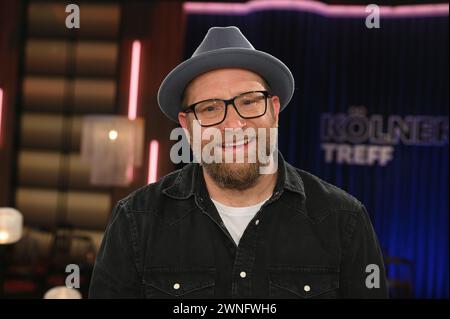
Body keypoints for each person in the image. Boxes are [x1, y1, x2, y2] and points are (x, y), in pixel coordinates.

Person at [89, 26, 388, 298]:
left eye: (248, 102)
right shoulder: (135, 221)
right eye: (209, 108)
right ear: (187, 126)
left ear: (273, 110)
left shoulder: (344, 220)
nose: (233, 124)